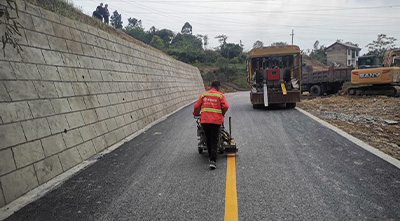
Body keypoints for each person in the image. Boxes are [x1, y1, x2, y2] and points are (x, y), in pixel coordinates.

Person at [193, 80, 229, 169]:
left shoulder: (204, 95)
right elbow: (226, 106)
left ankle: (210, 157)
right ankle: (213, 160)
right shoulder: (220, 95)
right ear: (218, 87)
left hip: (205, 121)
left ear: (211, 86)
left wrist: (196, 114)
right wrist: (222, 114)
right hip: (216, 121)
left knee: (208, 139)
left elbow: (196, 106)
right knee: (214, 140)